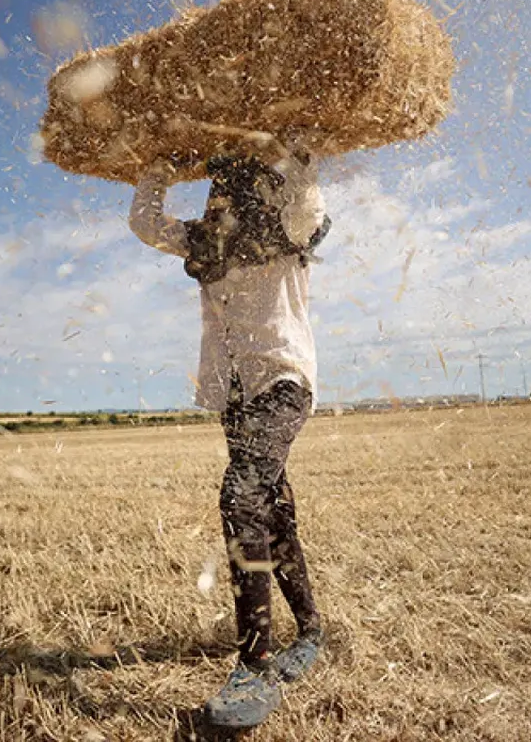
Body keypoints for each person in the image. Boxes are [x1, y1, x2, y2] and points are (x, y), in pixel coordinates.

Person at [128, 129, 330, 728]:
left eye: (227, 192)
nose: (216, 203)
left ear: (255, 193)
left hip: (283, 382)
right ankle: (312, 631)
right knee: (271, 511)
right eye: (213, 193)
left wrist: (293, 150)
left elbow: (307, 201)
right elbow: (145, 222)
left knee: (240, 496)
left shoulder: (286, 229)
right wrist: (163, 162)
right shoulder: (204, 243)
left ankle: (256, 661)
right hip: (234, 395)